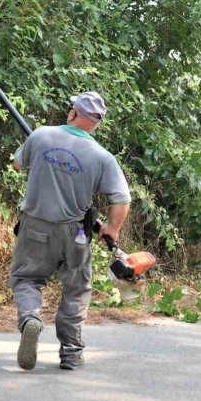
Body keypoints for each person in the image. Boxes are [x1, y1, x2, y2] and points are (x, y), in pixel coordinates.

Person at [10, 91, 131, 371]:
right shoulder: (102, 157)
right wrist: (111, 229)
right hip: (75, 233)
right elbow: (121, 200)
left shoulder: (40, 136)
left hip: (35, 226)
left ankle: (30, 319)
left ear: (73, 113)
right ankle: (71, 353)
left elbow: (18, 164)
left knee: (27, 279)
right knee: (76, 290)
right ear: (96, 124)